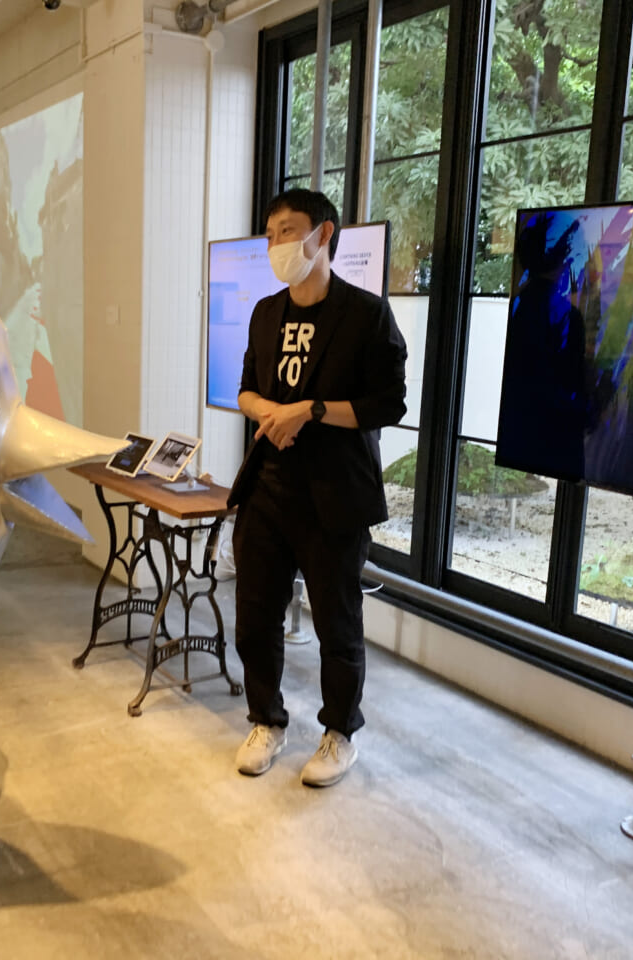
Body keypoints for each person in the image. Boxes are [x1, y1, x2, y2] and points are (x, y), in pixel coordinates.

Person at [227, 188, 408, 787]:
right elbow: (246, 389)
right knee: (255, 617)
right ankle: (266, 720)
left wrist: (311, 410)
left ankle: (339, 733)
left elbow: (388, 404)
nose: (277, 244)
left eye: (288, 231)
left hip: (334, 497)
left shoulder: (365, 314)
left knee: (337, 623)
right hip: (268, 489)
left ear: (323, 234)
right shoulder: (265, 313)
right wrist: (268, 411)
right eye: (271, 234)